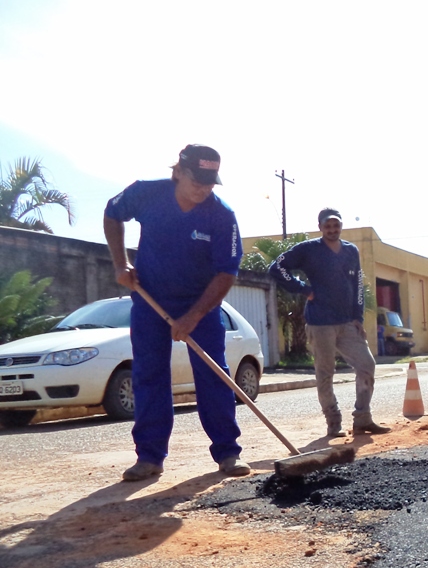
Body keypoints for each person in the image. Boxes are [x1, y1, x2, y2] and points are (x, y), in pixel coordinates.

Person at [104, 144, 250, 481]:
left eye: (209, 182)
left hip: (200, 303)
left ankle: (228, 452)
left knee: (214, 373)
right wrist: (120, 262)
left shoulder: (221, 216)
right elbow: (112, 213)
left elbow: (226, 273)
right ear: (178, 172)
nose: (202, 188)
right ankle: (150, 456)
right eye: (196, 180)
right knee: (149, 373)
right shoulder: (146, 193)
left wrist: (194, 316)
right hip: (150, 299)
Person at [268, 208, 390, 437]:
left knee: (367, 365)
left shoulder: (351, 251)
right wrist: (304, 290)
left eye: (336, 225)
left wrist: (358, 317)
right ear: (320, 227)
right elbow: (276, 268)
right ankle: (333, 422)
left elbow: (357, 286)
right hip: (320, 323)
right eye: (328, 226)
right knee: (325, 373)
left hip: (347, 323)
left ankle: (362, 419)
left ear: (341, 226)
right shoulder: (308, 249)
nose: (332, 230)